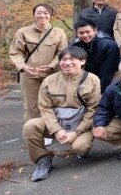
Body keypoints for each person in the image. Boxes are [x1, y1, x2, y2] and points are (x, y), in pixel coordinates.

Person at [22, 46, 101, 181]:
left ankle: (83, 149)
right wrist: (56, 130)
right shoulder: (49, 81)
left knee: (79, 147)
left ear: (82, 61)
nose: (67, 63)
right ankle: (43, 159)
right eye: (64, 59)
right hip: (58, 123)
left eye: (72, 59)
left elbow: (92, 109)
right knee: (30, 126)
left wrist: (76, 132)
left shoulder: (92, 79)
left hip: (81, 125)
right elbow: (45, 108)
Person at [9, 3, 68, 122]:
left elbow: (62, 53)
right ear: (34, 15)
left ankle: (50, 130)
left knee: (53, 103)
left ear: (51, 15)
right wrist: (23, 67)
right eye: (39, 13)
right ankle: (34, 132)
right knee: (31, 106)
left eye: (46, 13)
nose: (42, 15)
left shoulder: (59, 32)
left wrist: (51, 66)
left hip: (52, 75)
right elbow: (16, 52)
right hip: (29, 74)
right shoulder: (23, 32)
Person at [71, 19, 120, 93]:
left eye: (88, 32)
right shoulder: (74, 46)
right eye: (81, 33)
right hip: (86, 76)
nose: (85, 35)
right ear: (76, 34)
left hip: (107, 75)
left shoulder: (109, 45)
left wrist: (99, 92)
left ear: (95, 30)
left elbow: (107, 71)